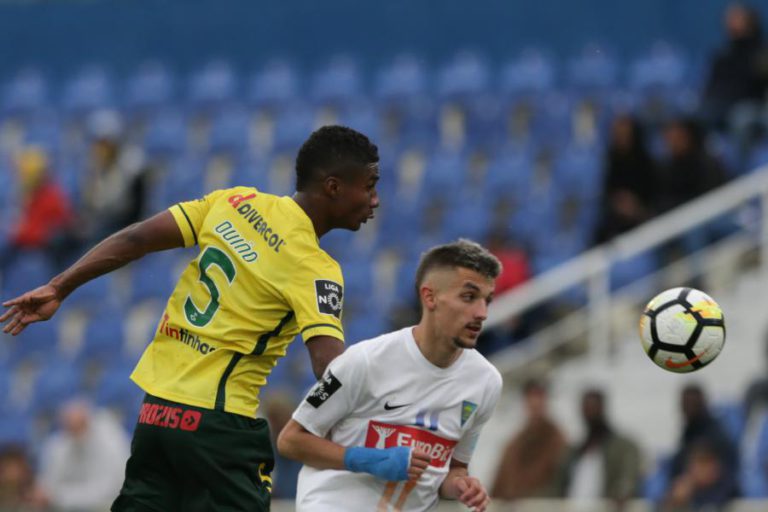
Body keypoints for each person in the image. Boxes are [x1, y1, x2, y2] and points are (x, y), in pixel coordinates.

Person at [1, 125, 381, 512]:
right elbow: (329, 368)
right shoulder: (315, 267)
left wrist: (59, 286)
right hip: (220, 425)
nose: (375, 200)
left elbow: (136, 239)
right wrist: (386, 412)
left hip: (157, 413)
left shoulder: (235, 201)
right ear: (333, 187)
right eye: (368, 187)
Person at [278, 239, 503, 512]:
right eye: (468, 297)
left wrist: (460, 485)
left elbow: (453, 469)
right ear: (430, 297)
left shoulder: (486, 382)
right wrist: (370, 459)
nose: (482, 313)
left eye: (487, 300)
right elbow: (291, 440)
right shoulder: (364, 360)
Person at [38, 399, 131, 511]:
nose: (75, 433)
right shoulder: (61, 443)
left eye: (79, 426)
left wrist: (59, 497)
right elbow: (48, 486)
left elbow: (108, 491)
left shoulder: (110, 441)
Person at [557, 388, 642, 505]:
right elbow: (559, 486)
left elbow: (628, 478)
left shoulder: (623, 448)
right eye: (586, 409)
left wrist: (622, 492)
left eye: (594, 408)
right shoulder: (575, 452)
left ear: (602, 409)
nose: (590, 414)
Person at [491, 378, 566, 501]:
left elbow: (560, 485)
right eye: (531, 396)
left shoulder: (557, 441)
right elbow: (498, 487)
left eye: (539, 396)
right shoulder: (513, 446)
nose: (535, 402)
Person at [593, 114, 658, 245]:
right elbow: (607, 192)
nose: (620, 138)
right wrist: (618, 202)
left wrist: (636, 207)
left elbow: (654, 193)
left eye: (624, 134)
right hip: (615, 217)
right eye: (617, 134)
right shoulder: (611, 161)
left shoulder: (645, 161)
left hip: (642, 215)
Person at [667, 385, 739, 501]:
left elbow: (727, 479)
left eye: (692, 404)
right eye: (685, 404)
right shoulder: (689, 433)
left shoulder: (716, 437)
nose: (688, 409)